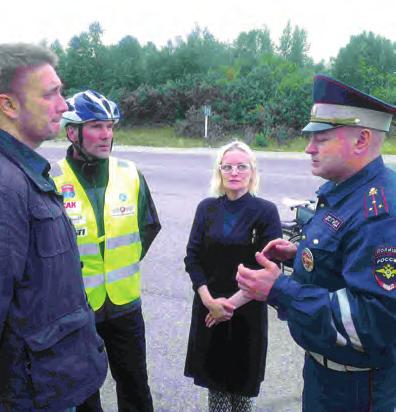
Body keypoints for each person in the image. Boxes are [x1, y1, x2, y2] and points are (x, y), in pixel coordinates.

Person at [237, 75, 396, 412]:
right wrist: (301, 257)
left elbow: (374, 321)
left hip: (358, 389)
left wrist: (279, 289)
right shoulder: (344, 189)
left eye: (321, 139)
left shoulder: (381, 212)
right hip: (325, 375)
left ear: (362, 140)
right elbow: (347, 261)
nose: (308, 148)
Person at [0, 43, 108, 412]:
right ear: (8, 105)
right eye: (51, 94)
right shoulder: (5, 184)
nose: (63, 106)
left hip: (52, 382)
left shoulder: (24, 172)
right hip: (31, 395)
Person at [51, 90, 161, 412]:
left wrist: (116, 263)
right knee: (84, 395)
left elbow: (149, 226)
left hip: (125, 305)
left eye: (110, 126)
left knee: (136, 388)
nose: (107, 134)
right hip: (77, 311)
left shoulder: (130, 173)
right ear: (73, 132)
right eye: (97, 126)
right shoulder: (53, 179)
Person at [184, 141, 282, 412]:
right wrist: (209, 301)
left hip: (246, 314)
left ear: (252, 171)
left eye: (241, 166)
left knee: (241, 395)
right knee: (216, 393)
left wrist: (228, 307)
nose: (234, 172)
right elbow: (192, 257)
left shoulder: (265, 211)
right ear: (220, 171)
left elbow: (269, 269)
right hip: (208, 311)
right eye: (227, 166)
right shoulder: (207, 208)